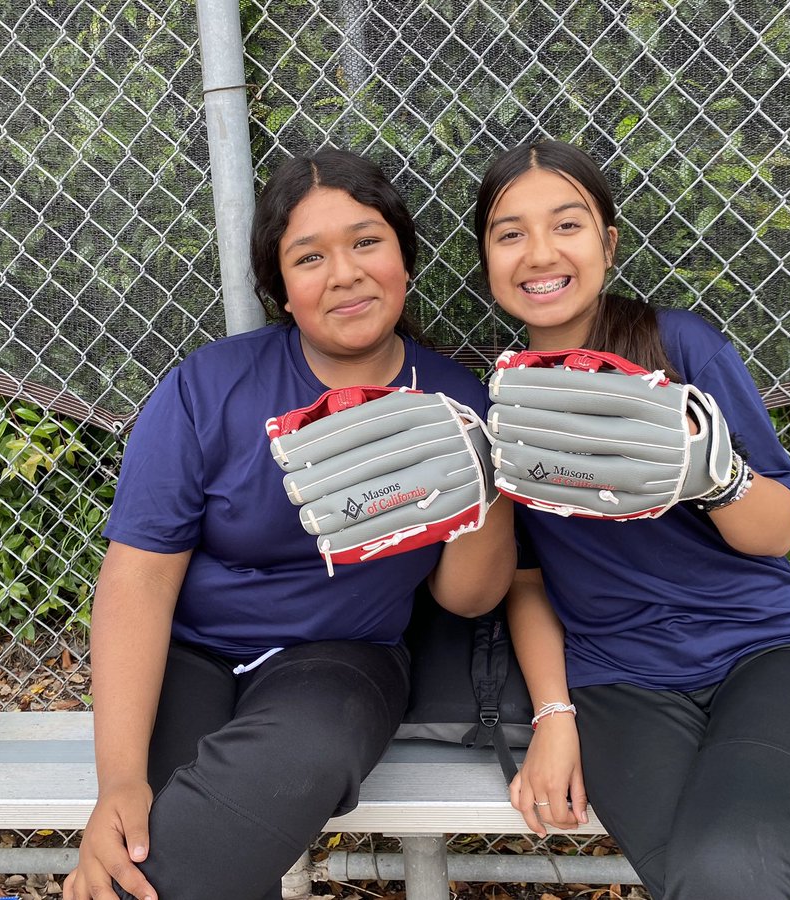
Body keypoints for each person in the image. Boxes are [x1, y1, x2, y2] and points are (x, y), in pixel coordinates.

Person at [63, 148, 513, 900]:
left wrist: (479, 477)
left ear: (404, 257)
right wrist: (118, 782)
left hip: (342, 658)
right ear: (282, 288)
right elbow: (137, 582)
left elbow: (469, 598)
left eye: (366, 241)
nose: (344, 273)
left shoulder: (453, 399)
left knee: (305, 750)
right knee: (146, 831)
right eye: (310, 256)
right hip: (194, 653)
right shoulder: (209, 386)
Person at [475, 140, 790, 900]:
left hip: (765, 651)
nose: (540, 252)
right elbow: (524, 581)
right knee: (717, 878)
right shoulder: (501, 402)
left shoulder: (677, 347)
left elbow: (779, 532)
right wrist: (554, 715)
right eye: (509, 233)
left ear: (608, 244)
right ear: (485, 257)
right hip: (619, 680)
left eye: (568, 225)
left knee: (729, 871)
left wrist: (717, 478)